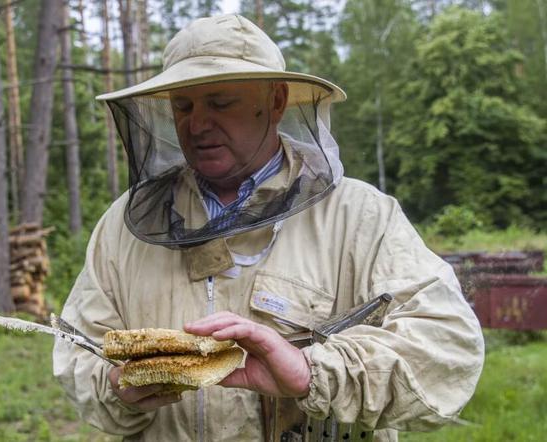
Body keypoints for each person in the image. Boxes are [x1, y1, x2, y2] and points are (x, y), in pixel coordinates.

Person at [53, 14, 484, 442]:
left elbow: (447, 347)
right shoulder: (124, 224)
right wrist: (118, 389)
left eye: (220, 103)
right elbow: (77, 349)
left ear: (276, 102)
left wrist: (312, 372)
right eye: (183, 106)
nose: (197, 124)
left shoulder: (361, 216)